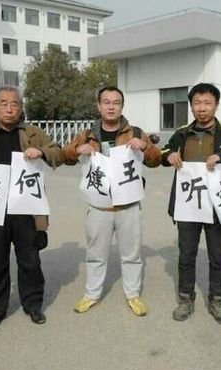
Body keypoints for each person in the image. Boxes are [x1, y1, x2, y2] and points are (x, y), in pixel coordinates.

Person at [0, 86, 63, 329]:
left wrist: (42, 152)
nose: (9, 108)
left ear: (21, 108)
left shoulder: (34, 133)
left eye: (14, 104)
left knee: (30, 260)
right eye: (3, 104)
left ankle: (33, 305)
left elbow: (58, 153)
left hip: (25, 207)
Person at [161, 83, 221, 324]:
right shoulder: (182, 133)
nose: (202, 108)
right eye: (197, 103)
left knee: (217, 255)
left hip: (217, 207)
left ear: (216, 105)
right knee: (186, 255)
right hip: (188, 204)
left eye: (207, 103)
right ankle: (186, 299)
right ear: (191, 106)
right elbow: (163, 151)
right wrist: (169, 155)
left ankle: (217, 299)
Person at [62, 86, 161, 316]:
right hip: (99, 206)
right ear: (99, 106)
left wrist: (145, 147)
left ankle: (133, 295)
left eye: (116, 103)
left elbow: (156, 160)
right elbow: (65, 156)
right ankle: (92, 294)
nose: (111, 107)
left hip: (128, 205)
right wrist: (77, 149)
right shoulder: (87, 134)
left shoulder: (136, 132)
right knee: (96, 254)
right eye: (106, 102)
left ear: (122, 107)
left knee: (131, 255)